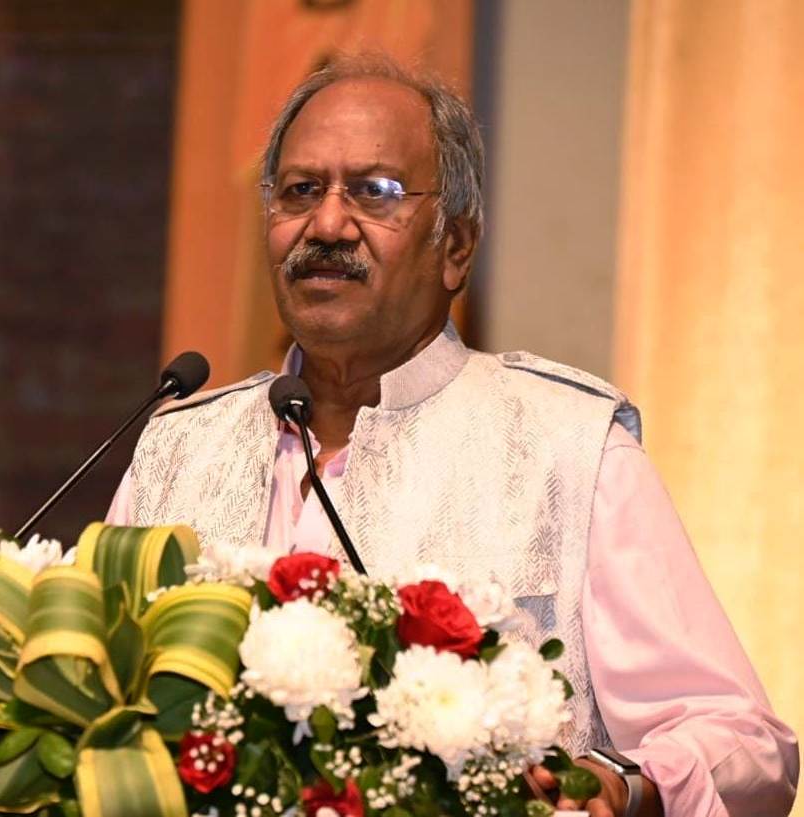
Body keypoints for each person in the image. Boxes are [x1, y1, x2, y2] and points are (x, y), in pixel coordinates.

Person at [108, 55, 798, 816]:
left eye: (374, 191)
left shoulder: (565, 447)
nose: (327, 225)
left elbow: (744, 743)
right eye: (300, 191)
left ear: (457, 247)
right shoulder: (177, 449)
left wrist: (622, 783)